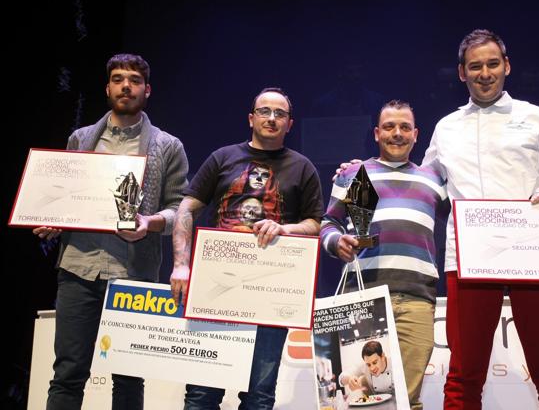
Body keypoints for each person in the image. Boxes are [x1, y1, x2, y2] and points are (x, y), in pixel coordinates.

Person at [422, 29, 539, 409]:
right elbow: (425, 183)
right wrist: (366, 173)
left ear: (506, 66)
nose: (485, 73)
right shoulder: (447, 126)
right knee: (464, 373)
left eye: (492, 64)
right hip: (469, 257)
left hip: (533, 251)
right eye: (475, 66)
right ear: (461, 73)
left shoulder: (536, 117)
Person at [33, 53, 189, 410]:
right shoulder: (81, 138)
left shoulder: (167, 145)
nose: (126, 86)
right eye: (118, 79)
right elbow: (68, 197)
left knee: (129, 375)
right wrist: (55, 220)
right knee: (68, 372)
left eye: (134, 80)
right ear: (107, 87)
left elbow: (180, 208)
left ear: (147, 90)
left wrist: (151, 222)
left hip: (132, 272)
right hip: (78, 267)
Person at [169, 87, 324, 409]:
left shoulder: (302, 167)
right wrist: (181, 264)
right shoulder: (223, 157)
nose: (271, 118)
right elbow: (186, 208)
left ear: (289, 123)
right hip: (216, 287)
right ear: (251, 118)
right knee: (201, 394)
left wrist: (285, 228)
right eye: (264, 111)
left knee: (259, 395)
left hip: (271, 289)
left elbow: (316, 223)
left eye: (279, 113)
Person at [322, 99, 447, 410]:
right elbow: (329, 223)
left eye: (405, 127)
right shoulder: (357, 174)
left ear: (416, 134)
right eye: (389, 127)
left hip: (418, 300)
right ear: (377, 133)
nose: (397, 133)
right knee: (363, 401)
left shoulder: (433, 180)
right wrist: (336, 242)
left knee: (407, 399)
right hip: (364, 296)